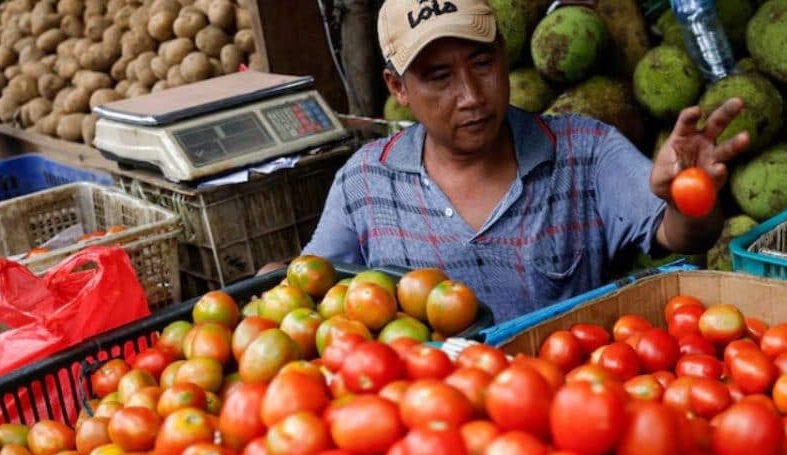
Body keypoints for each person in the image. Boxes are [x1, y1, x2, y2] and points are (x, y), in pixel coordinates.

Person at [299, 0, 749, 321]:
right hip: (428, 433)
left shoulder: (585, 151)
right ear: (397, 88)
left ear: (501, 54)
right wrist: (276, 283)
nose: (472, 96)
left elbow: (684, 236)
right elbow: (310, 287)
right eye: (440, 77)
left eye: (482, 64)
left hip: (566, 420)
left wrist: (692, 195)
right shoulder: (364, 180)